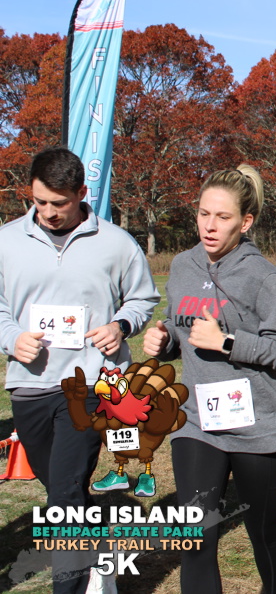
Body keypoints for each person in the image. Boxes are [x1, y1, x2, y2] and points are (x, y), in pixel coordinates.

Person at [0, 147, 159, 593]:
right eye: (40, 201)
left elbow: (143, 298)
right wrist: (12, 338)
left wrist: (119, 326)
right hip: (30, 385)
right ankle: (97, 557)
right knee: (60, 489)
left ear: (82, 194)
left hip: (91, 381)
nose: (49, 212)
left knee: (65, 498)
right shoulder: (6, 241)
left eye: (60, 203)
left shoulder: (116, 243)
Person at [143, 165, 276, 594]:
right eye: (203, 214)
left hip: (259, 426)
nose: (209, 226)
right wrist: (165, 339)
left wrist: (228, 342)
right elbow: (180, 325)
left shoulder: (266, 279)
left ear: (245, 222)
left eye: (222, 217)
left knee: (263, 531)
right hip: (197, 422)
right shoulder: (182, 265)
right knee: (196, 538)